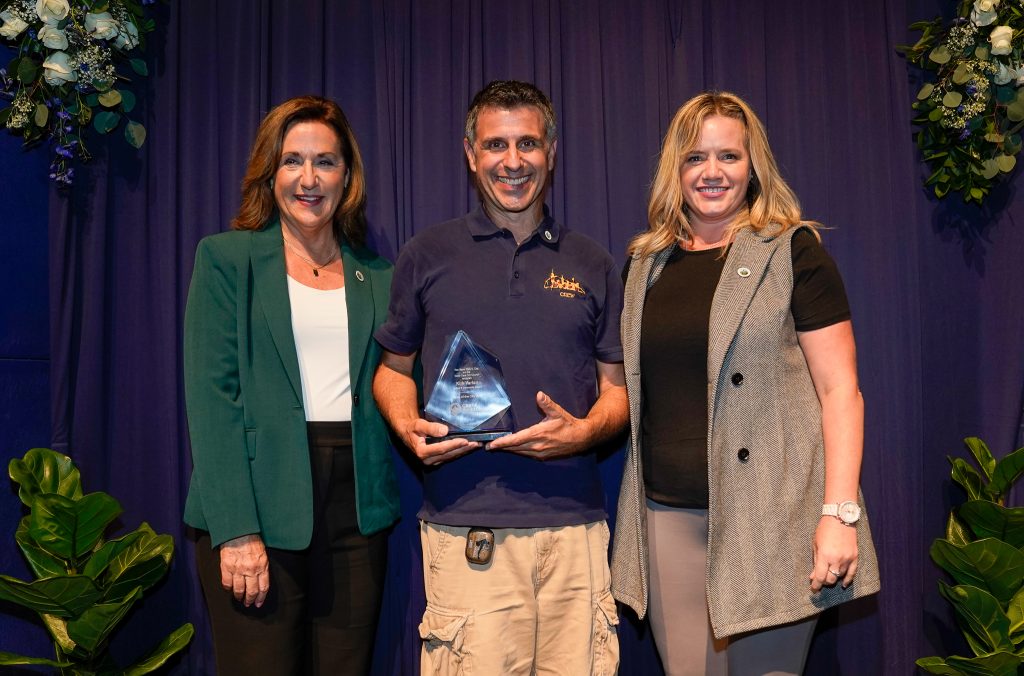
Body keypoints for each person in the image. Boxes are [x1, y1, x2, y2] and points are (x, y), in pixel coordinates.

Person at [610, 91, 881, 675]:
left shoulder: (793, 252)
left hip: (772, 521)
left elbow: (841, 392)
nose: (712, 172)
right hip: (666, 520)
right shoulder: (643, 265)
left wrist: (839, 515)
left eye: (728, 156)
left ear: (753, 166)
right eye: (695, 157)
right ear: (675, 169)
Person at [372, 80, 627, 675]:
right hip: (467, 528)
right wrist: (408, 426)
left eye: (527, 144)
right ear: (471, 153)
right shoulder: (426, 254)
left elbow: (616, 392)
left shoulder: (592, 261)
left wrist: (585, 433)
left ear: (551, 151)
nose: (513, 162)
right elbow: (392, 372)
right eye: (495, 145)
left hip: (575, 531)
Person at [183, 95, 400, 675]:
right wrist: (236, 530)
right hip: (257, 503)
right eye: (292, 161)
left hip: (357, 514)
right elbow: (213, 402)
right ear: (269, 172)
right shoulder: (227, 260)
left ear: (347, 176)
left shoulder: (379, 275)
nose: (309, 179)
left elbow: (403, 385)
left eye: (325, 162)